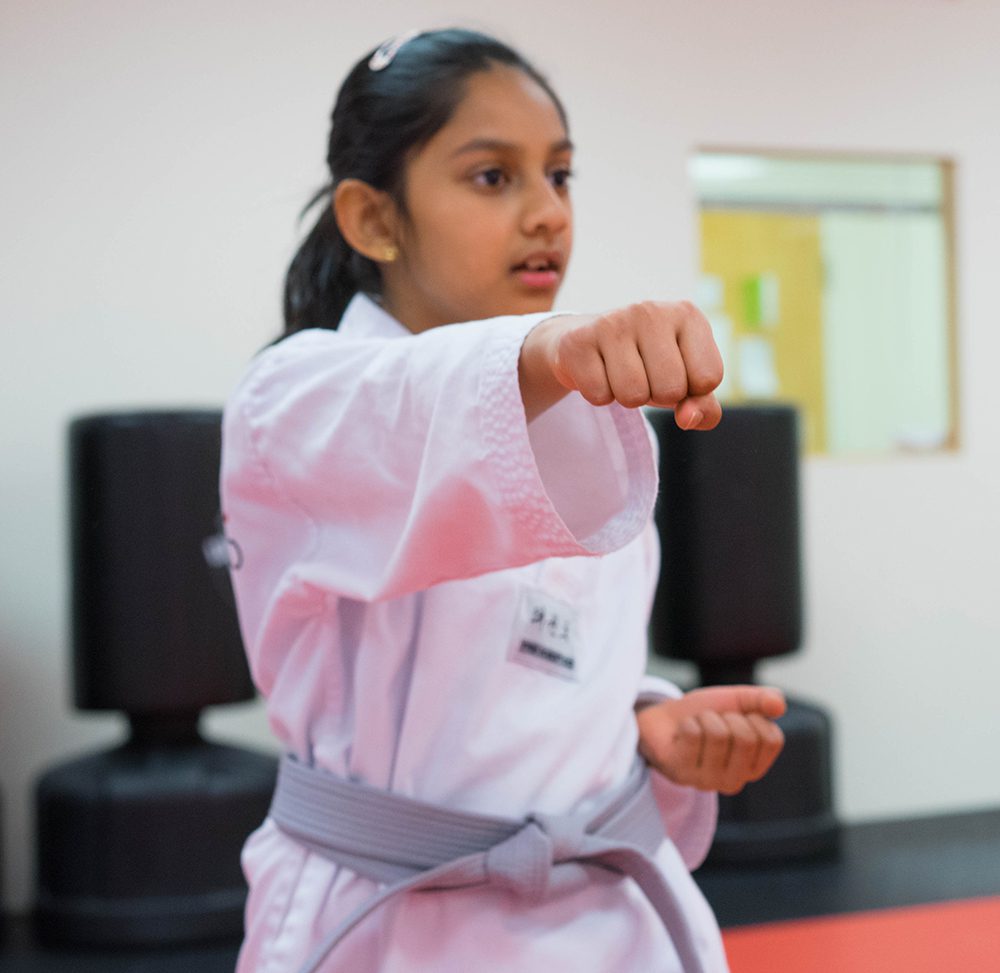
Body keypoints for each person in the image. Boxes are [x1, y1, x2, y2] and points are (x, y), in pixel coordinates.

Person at [220, 28, 786, 973]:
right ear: (373, 219)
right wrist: (547, 351)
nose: (547, 215)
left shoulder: (587, 417)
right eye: (493, 178)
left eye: (560, 176)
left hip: (611, 923)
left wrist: (647, 729)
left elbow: (549, 670)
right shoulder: (296, 403)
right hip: (393, 925)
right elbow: (411, 413)